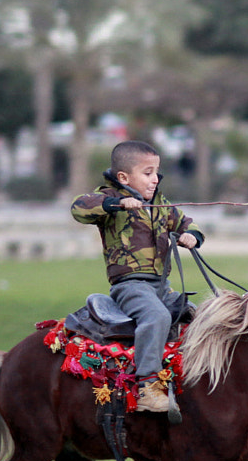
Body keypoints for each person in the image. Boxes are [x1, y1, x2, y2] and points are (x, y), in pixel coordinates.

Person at [71, 140, 205, 414]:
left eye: (156, 172)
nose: (155, 179)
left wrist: (193, 236)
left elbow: (186, 222)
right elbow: (79, 208)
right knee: (156, 317)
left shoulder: (160, 205)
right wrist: (117, 204)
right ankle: (147, 386)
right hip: (130, 286)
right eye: (147, 173)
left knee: (200, 318)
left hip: (161, 286)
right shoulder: (108, 200)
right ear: (124, 177)